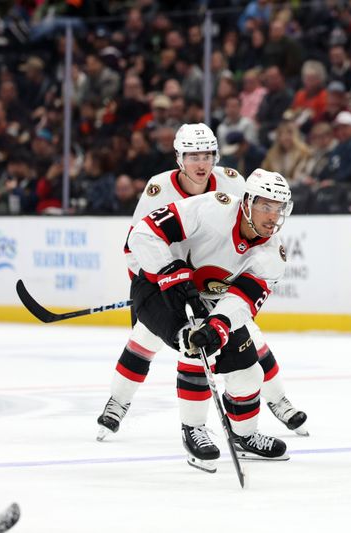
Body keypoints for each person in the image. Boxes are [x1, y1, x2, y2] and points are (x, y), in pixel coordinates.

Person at [97, 123, 308, 448]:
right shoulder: (168, 192)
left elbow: (245, 292)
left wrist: (220, 323)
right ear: (179, 158)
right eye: (193, 154)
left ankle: (276, 403)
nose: (201, 162)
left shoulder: (235, 188)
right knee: (150, 338)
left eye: (207, 154)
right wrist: (161, 284)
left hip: (216, 288)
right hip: (169, 279)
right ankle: (125, 404)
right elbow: (137, 241)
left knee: (248, 347)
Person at [126, 168, 294, 472]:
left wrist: (219, 325)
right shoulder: (210, 208)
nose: (273, 216)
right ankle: (193, 429)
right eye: (265, 206)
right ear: (246, 203)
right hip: (155, 283)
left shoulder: (273, 254)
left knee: (247, 371)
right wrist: (170, 273)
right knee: (194, 343)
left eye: (279, 208)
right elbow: (142, 233)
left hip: (208, 299)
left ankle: (244, 436)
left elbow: (241, 301)